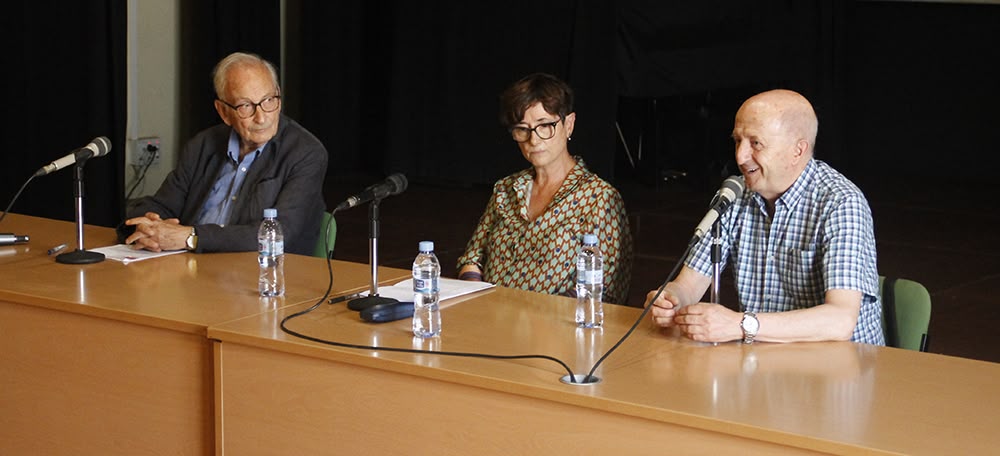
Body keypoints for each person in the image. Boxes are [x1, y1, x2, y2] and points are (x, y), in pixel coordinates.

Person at [646, 89, 883, 345]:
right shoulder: (735, 195)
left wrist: (740, 324)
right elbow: (689, 285)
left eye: (755, 143)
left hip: (835, 371)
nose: (740, 156)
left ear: (798, 150)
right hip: (763, 363)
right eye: (738, 141)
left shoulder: (841, 203)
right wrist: (670, 299)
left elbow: (840, 321)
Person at [122, 52, 328, 255]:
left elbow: (281, 232)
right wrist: (148, 228)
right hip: (188, 268)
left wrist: (191, 237)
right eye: (246, 106)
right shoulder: (203, 145)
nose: (261, 117)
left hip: (261, 275)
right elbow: (160, 205)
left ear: (279, 97)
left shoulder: (305, 153)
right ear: (223, 111)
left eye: (268, 100)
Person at [456, 73, 633, 305]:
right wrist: (480, 303)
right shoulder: (505, 189)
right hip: (494, 320)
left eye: (545, 126)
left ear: (568, 124)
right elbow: (472, 258)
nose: (534, 140)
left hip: (558, 330)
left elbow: (606, 286)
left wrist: (540, 319)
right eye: (522, 129)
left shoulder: (599, 197)